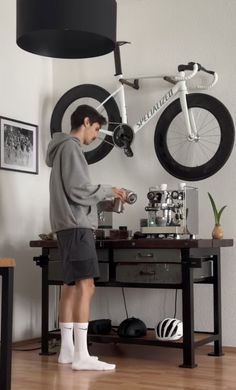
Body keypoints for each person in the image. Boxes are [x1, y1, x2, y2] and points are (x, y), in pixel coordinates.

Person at [46, 105, 126, 371]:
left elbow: (74, 194)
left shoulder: (61, 150)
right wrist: (108, 189)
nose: (96, 135)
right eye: (95, 129)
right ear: (86, 121)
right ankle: (81, 355)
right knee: (86, 287)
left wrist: (105, 200)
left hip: (67, 226)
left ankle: (67, 351)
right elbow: (79, 189)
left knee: (70, 287)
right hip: (77, 228)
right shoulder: (71, 148)